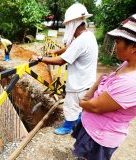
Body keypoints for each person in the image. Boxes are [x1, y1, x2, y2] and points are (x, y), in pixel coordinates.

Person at [72, 10, 136, 160]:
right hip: (95, 128)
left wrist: (83, 100)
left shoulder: (134, 82)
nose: (115, 44)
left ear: (134, 47)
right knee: (88, 159)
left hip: (100, 135)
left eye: (118, 40)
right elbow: (107, 82)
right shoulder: (133, 64)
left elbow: (94, 106)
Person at [31, 3, 98, 135]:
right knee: (80, 107)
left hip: (79, 83)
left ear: (73, 23)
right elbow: (69, 48)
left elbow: (62, 60)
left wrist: (40, 58)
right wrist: (55, 50)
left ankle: (68, 128)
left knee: (71, 106)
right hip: (87, 80)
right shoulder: (88, 36)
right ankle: (78, 126)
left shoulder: (81, 40)